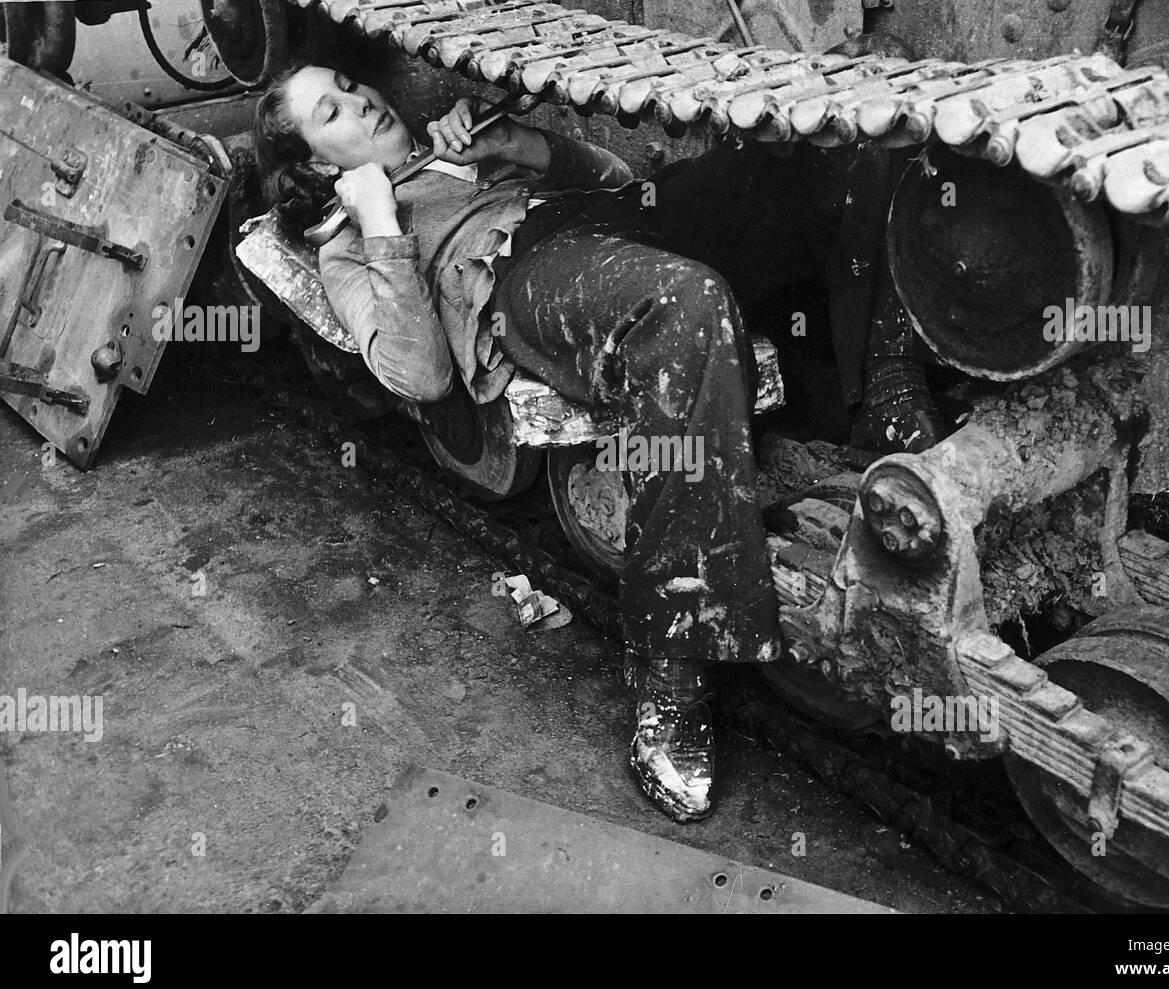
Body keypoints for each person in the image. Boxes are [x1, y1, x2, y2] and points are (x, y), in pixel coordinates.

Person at [254, 62, 933, 822]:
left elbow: (616, 179)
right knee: (684, 301)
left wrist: (526, 145)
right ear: (317, 163)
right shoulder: (349, 244)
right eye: (331, 111)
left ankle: (891, 402)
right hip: (528, 272)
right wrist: (379, 215)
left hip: (615, 221)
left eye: (349, 86)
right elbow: (416, 372)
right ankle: (672, 662)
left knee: (837, 153)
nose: (362, 99)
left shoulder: (457, 145)